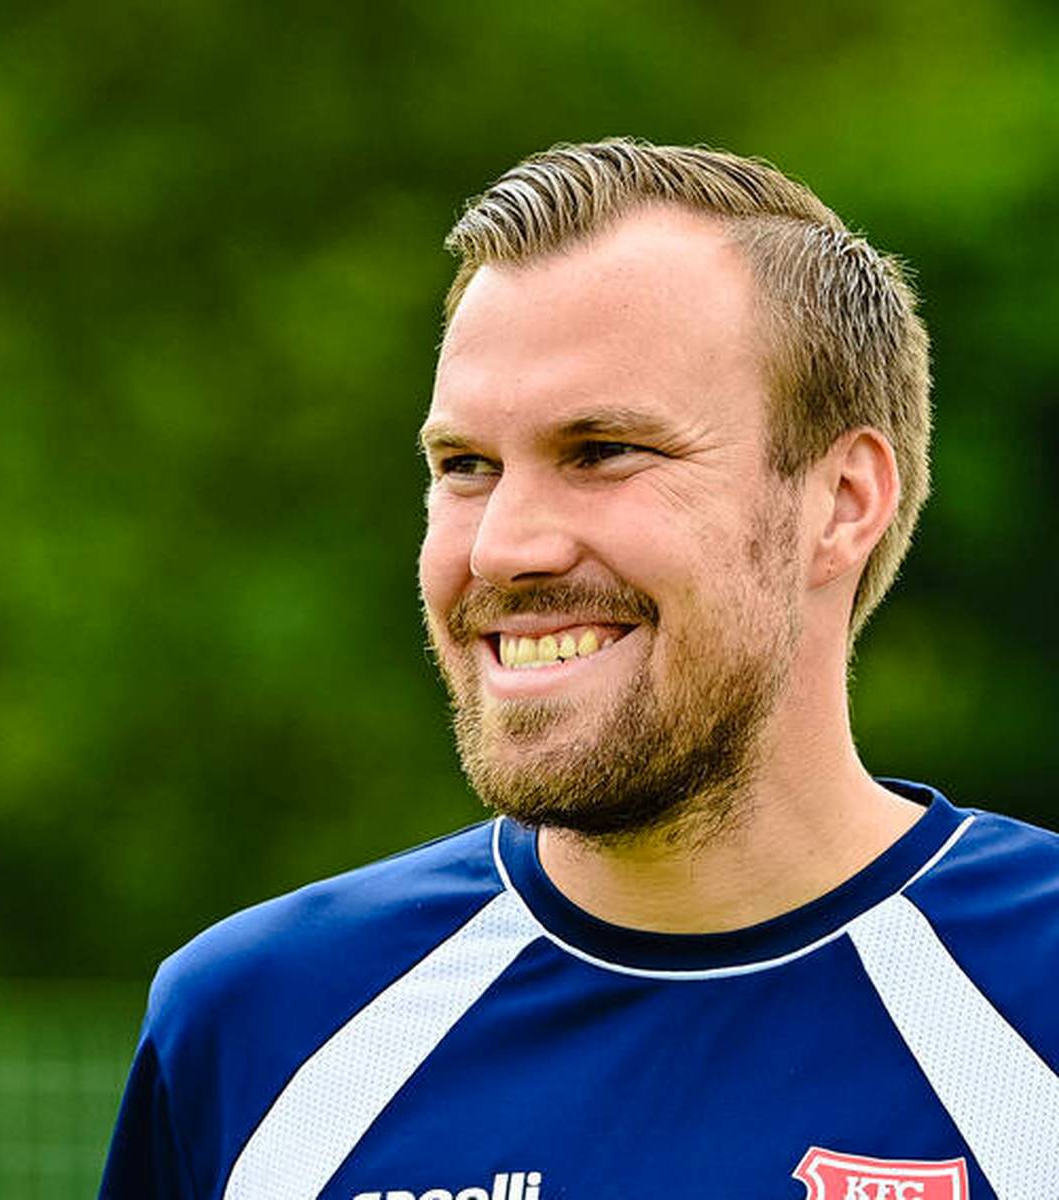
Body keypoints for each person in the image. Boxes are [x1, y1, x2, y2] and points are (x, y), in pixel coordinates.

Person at [99, 140, 1059, 1200]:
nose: (503, 548)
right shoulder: (257, 1028)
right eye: (466, 466)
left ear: (841, 503)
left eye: (602, 451)